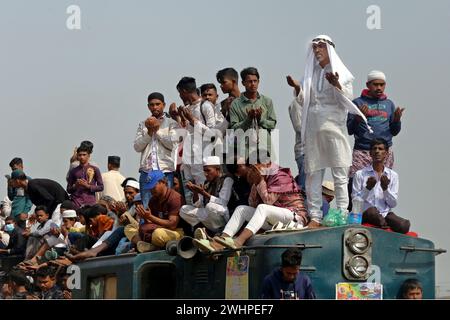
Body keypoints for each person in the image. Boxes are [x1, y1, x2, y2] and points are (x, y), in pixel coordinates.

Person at [290, 35, 370, 228]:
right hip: (313, 129)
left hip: (334, 128)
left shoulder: (340, 72)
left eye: (321, 47)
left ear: (330, 49)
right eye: (314, 47)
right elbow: (303, 101)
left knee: (340, 175)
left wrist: (336, 85)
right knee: (313, 174)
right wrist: (298, 88)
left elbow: (348, 100)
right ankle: (315, 216)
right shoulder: (311, 73)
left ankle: (342, 214)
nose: (317, 50)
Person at [194, 160, 307, 252]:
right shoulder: (259, 178)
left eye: (256, 165)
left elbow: (268, 202)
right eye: (253, 166)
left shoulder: (280, 176)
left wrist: (260, 181)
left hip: (294, 217)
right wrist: (255, 184)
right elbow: (252, 204)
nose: (254, 169)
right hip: (276, 221)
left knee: (263, 208)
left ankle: (238, 242)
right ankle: (222, 240)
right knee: (241, 209)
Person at [352, 138, 410, 233]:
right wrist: (367, 188)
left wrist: (385, 189)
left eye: (380, 149)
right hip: (365, 214)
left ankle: (383, 224)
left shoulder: (393, 176)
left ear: (386, 153)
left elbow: (393, 204)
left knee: (404, 225)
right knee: (372, 212)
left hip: (385, 214)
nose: (377, 151)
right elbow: (355, 202)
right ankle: (384, 226)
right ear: (370, 153)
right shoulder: (360, 174)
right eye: (374, 149)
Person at [175, 77, 216, 205]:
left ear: (185, 91)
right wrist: (179, 117)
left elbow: (212, 133)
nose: (180, 96)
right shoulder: (188, 108)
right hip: (189, 156)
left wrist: (193, 120)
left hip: (203, 156)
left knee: (202, 187)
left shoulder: (206, 106)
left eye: (180, 93)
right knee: (190, 190)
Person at [134, 92, 179, 208]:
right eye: (152, 105)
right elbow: (137, 147)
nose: (155, 107)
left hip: (165, 170)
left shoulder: (171, 123)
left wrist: (156, 131)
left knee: (166, 204)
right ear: (148, 106)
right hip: (147, 171)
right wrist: (149, 132)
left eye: (157, 104)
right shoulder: (143, 124)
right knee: (146, 206)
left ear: (163, 105)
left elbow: (172, 144)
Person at [124, 170, 184, 253]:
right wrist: (145, 217)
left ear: (162, 182)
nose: (151, 190)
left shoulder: (174, 198)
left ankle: (151, 247)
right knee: (129, 228)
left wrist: (150, 217)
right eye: (149, 188)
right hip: (159, 228)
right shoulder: (153, 199)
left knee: (157, 234)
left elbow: (172, 225)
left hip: (175, 231)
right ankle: (146, 245)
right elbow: (150, 223)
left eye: (153, 187)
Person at [230, 67, 277, 160]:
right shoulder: (236, 104)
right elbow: (234, 129)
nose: (253, 84)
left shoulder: (267, 101)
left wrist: (261, 120)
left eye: (255, 81)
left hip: (265, 147)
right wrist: (248, 120)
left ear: (258, 81)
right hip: (245, 150)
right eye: (249, 81)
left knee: (267, 173)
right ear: (243, 83)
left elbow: (272, 124)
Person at [180, 156, 234, 234]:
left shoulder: (227, 179)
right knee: (184, 209)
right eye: (204, 171)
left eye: (208, 171)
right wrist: (195, 192)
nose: (205, 174)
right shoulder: (207, 182)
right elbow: (199, 205)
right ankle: (204, 230)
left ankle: (221, 231)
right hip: (209, 214)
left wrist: (204, 193)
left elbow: (223, 202)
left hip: (223, 215)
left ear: (217, 169)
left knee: (210, 206)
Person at [67, 143, 104, 208]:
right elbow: (68, 189)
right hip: (76, 202)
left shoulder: (95, 169)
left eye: (84, 155)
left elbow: (101, 187)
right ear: (77, 156)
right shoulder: (73, 171)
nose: (82, 157)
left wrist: (87, 186)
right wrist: (75, 185)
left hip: (90, 203)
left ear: (89, 156)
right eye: (80, 155)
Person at [7, 158, 33, 226]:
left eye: (15, 169)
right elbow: (11, 198)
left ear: (21, 166)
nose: (13, 172)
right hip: (13, 213)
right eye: (12, 170)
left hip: (21, 214)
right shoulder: (14, 181)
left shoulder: (28, 180)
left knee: (20, 234)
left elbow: (30, 198)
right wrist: (9, 186)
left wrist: (25, 212)